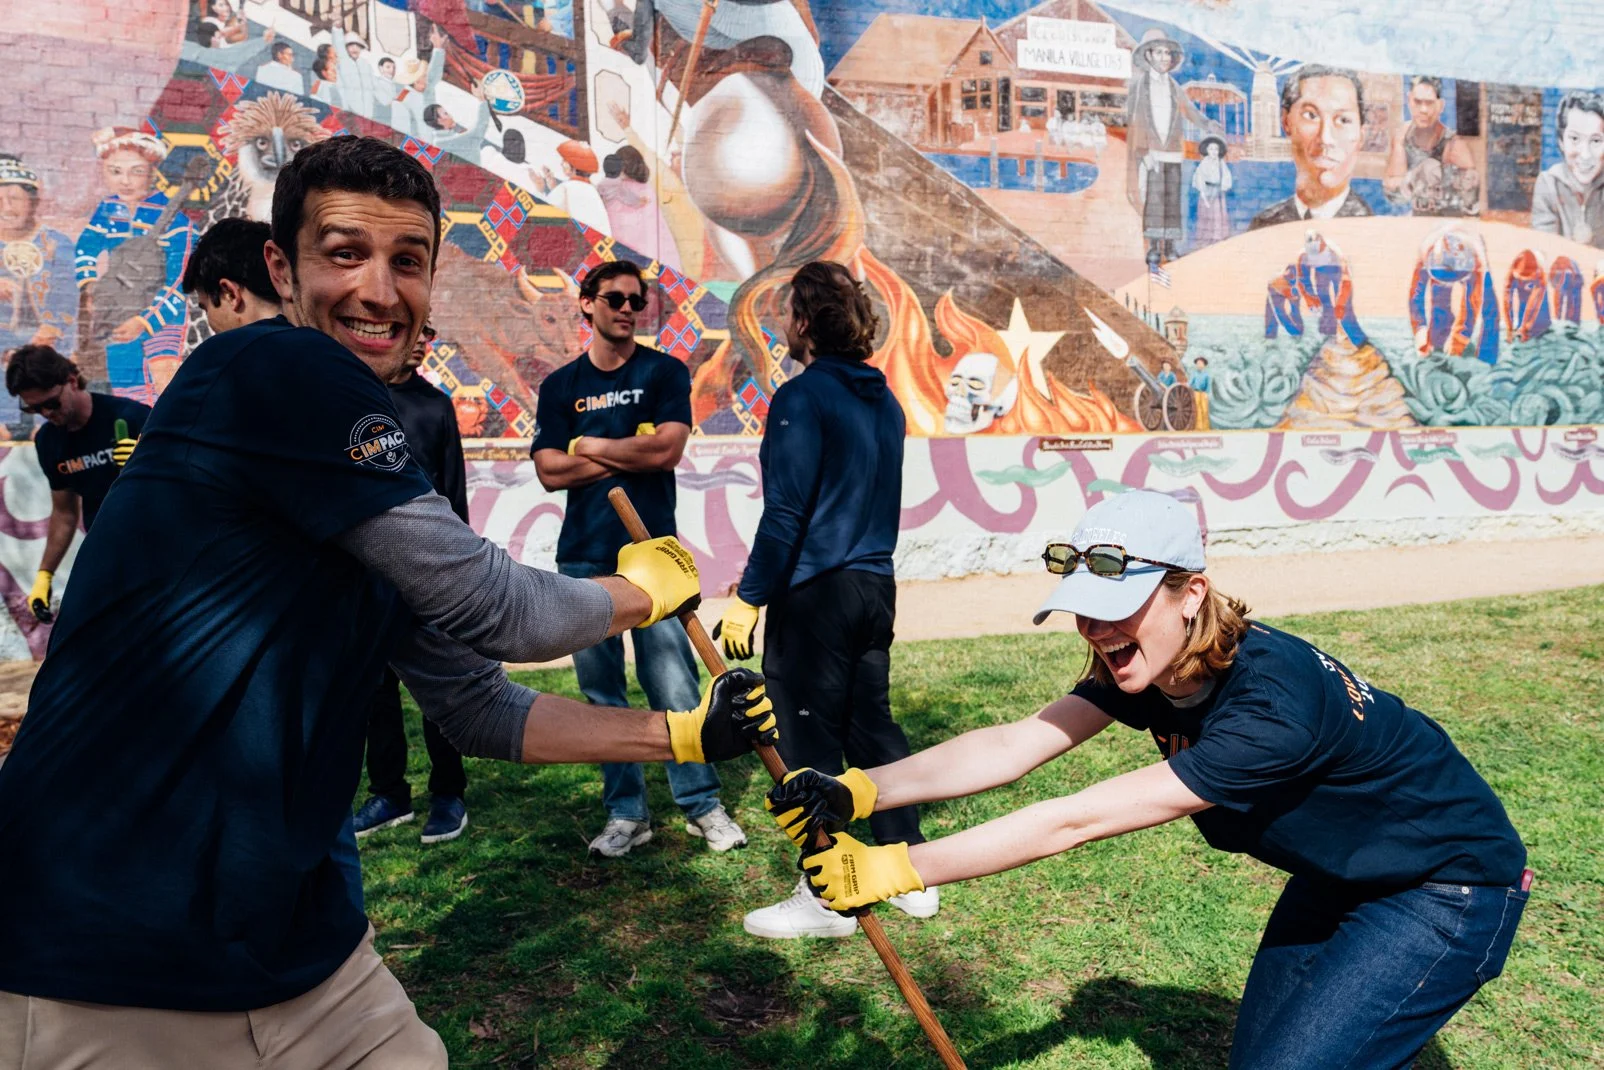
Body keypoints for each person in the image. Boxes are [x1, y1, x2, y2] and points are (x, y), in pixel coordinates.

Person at [0, 136, 777, 1068]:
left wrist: (685, 734)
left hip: (299, 947)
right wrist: (642, 588)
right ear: (281, 270)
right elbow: (501, 611)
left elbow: (476, 703)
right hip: (105, 956)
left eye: (407, 261)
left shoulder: (362, 469)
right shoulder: (268, 364)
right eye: (344, 253)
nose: (378, 290)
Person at [771, 489, 1529, 1068]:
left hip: (1446, 886)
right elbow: (1014, 745)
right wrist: (856, 790)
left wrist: (896, 867)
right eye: (1084, 610)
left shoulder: (1271, 709)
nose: (1097, 630)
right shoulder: (1161, 664)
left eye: (1118, 608)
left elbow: (1076, 818)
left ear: (1190, 593)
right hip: (1343, 871)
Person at [724, 260, 935, 939]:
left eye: (788, 312)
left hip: (817, 593)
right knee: (873, 726)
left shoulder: (802, 396)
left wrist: (749, 597)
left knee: (809, 737)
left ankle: (825, 899)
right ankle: (910, 870)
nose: (783, 324)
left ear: (805, 322)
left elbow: (786, 512)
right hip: (875, 588)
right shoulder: (885, 399)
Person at [531, 258, 746, 858]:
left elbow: (666, 451)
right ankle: (627, 814)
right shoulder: (561, 386)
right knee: (602, 695)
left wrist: (588, 445)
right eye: (615, 298)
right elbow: (549, 470)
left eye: (636, 301)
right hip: (584, 560)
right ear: (587, 304)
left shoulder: (662, 371)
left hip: (654, 561)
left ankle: (701, 804)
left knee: (674, 684)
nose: (627, 309)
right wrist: (632, 448)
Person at [352, 323, 476, 844]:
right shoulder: (357, 399)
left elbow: (454, 494)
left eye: (429, 332)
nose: (423, 340)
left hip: (428, 575)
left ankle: (448, 795)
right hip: (366, 576)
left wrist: (457, 570)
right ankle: (389, 795)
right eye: (414, 330)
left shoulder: (435, 405)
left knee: (437, 691)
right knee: (376, 693)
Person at [3, 344, 147, 622]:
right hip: (107, 556)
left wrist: (149, 459)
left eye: (51, 403)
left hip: (157, 550)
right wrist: (44, 575)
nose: (45, 413)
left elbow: (185, 487)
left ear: (71, 381)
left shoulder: (133, 417)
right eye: (34, 408)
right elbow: (65, 513)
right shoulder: (49, 441)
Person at [74, 126, 195, 400]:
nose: (125, 181)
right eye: (115, 171)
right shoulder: (108, 210)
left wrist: (144, 320)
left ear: (153, 171)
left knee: (164, 383)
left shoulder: (176, 220)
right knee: (127, 389)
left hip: (163, 314)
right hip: (117, 308)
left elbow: (179, 280)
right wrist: (90, 285)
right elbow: (86, 245)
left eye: (136, 171)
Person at [1123, 29, 1223, 264]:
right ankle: (1154, 247)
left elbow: (1189, 110)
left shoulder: (1173, 86)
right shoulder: (1140, 86)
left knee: (1172, 202)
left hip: (1173, 153)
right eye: (1159, 52)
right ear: (1148, 56)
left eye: (1167, 53)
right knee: (1154, 201)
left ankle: (1169, 246)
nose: (1164, 57)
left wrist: (1207, 124)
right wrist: (1143, 151)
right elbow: (1135, 120)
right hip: (1152, 153)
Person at [1250, 66, 1373, 229]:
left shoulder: (1371, 230)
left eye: (1343, 120)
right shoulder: (1264, 225)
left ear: (1361, 135)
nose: (1326, 138)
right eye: (1311, 116)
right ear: (1286, 122)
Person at [0, 155, 78, 377]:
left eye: (15, 198)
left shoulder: (57, 243)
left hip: (48, 351)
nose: (6, 207)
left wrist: (39, 342)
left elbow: (66, 302)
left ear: (33, 202)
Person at [1383, 76, 1478, 216]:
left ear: (1440, 105)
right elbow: (1393, 195)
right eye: (1417, 102)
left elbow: (1471, 202)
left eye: (1429, 103)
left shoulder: (1453, 144)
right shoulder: (1402, 137)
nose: (1423, 110)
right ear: (1409, 101)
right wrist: (1414, 176)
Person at [180, 217, 284, 333]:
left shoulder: (226, 345)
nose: (209, 322)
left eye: (206, 308)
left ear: (230, 294)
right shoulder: (300, 337)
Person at [1530, 90, 1604, 247]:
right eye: (1575, 138)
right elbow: (1545, 246)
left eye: (1596, 141)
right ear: (1561, 142)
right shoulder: (1549, 183)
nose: (1585, 154)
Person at [536, 140, 612, 236]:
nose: (561, 164)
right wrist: (553, 187)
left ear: (573, 165)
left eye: (564, 160)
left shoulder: (566, 187)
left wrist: (541, 189)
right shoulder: (592, 190)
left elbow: (545, 215)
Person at [1190, 135, 1233, 247]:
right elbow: (1199, 177)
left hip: (1217, 191)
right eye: (1211, 149)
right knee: (1206, 214)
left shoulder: (1221, 163)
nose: (1214, 152)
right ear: (1207, 150)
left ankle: (1217, 237)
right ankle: (1205, 237)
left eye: (1216, 149)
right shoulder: (1204, 163)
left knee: (1217, 214)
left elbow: (1226, 176)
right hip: (1207, 190)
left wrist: (1223, 186)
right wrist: (1202, 191)